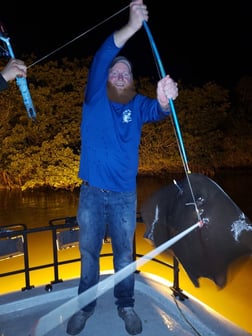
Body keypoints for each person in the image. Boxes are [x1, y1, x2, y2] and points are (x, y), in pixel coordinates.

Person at [66, 1, 178, 335]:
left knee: (124, 258)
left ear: (132, 81)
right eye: (115, 71)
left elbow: (159, 112)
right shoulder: (94, 98)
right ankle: (84, 308)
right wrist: (131, 27)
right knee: (88, 256)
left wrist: (162, 99)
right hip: (90, 194)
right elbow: (104, 54)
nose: (119, 74)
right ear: (105, 78)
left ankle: (125, 306)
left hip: (124, 198)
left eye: (125, 72)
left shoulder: (138, 104)